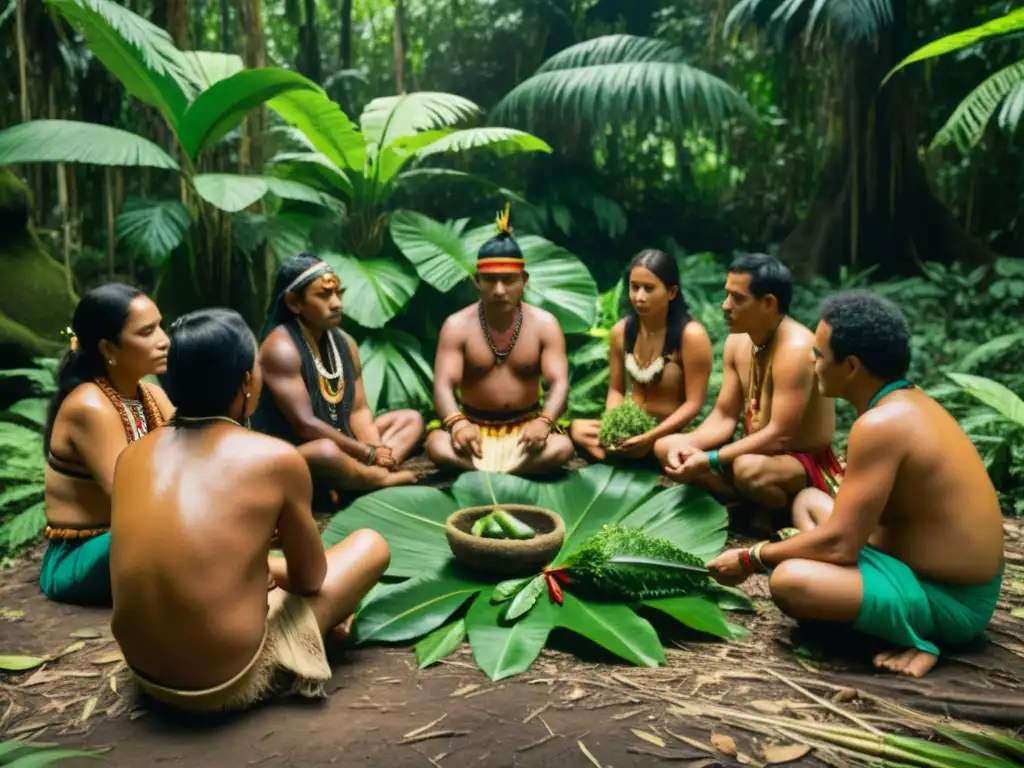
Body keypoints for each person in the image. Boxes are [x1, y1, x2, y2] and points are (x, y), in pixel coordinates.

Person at [706, 292, 1005, 678]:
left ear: (849, 366)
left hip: (950, 598)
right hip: (913, 564)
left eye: (818, 354)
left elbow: (840, 545)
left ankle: (923, 636)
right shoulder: (905, 403)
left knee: (790, 581)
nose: (812, 363)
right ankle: (872, 610)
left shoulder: (881, 426)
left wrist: (751, 558)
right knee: (811, 499)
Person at [111, 308, 390, 713]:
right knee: (370, 544)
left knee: (249, 571)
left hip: (146, 672)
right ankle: (309, 633)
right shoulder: (274, 458)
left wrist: (258, 557)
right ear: (246, 382)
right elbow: (311, 579)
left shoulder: (130, 456)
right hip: (224, 680)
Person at [654, 253, 841, 512]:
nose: (725, 306)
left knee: (747, 469)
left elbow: (780, 436)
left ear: (768, 303)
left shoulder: (796, 348)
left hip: (800, 462)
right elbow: (724, 415)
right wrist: (689, 448)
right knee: (666, 447)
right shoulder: (738, 341)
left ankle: (780, 510)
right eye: (727, 294)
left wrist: (709, 459)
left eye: (738, 299)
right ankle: (746, 502)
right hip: (755, 452)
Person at [40, 283, 174, 606]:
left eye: (160, 326)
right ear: (109, 349)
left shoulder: (151, 394)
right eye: (147, 332)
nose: (164, 340)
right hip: (83, 556)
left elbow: (196, 456)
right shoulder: (90, 407)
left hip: (137, 538)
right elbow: (133, 499)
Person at [251, 254, 421, 502]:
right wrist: (367, 453)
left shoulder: (345, 343)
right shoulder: (281, 348)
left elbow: (358, 410)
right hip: (299, 452)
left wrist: (375, 451)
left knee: (410, 420)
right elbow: (305, 425)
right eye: (323, 295)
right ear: (294, 303)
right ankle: (378, 480)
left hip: (346, 446)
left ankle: (356, 478)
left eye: (337, 293)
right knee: (325, 452)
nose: (337, 303)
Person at [425, 204, 574, 475]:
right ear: (476, 281)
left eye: (508, 280)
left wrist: (545, 421)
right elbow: (443, 385)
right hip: (473, 430)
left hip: (527, 430)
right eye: (490, 280)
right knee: (437, 444)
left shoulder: (545, 324)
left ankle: (486, 474)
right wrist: (458, 425)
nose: (499, 290)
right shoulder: (457, 325)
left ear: (524, 280)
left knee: (562, 447)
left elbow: (559, 382)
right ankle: (511, 473)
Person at [570, 249, 713, 463]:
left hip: (668, 433)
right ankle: (624, 454)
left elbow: (693, 405)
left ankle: (634, 458)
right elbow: (616, 390)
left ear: (672, 292)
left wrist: (649, 437)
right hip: (632, 429)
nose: (639, 297)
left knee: (662, 448)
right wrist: (614, 425)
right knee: (577, 429)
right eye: (634, 287)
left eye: (649, 289)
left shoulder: (691, 336)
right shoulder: (621, 331)